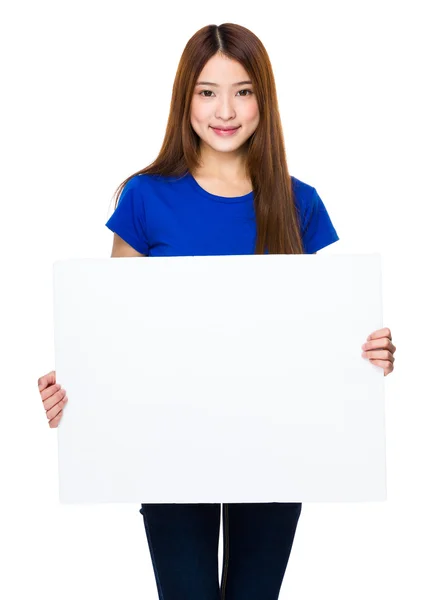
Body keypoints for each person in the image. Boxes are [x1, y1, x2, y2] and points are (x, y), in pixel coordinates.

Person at [37, 22, 396, 600]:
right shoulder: (145, 197)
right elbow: (108, 332)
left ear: (263, 100)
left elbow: (333, 331)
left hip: (277, 443)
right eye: (207, 91)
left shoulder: (299, 201)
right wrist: (74, 389)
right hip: (167, 443)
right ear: (186, 99)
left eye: (243, 90)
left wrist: (371, 355)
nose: (224, 109)